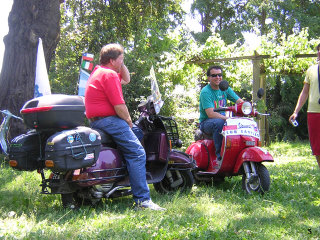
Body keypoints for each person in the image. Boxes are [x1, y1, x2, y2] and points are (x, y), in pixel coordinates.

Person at [85, 43, 165, 211]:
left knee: (136, 132)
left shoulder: (100, 72)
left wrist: (121, 63)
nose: (123, 62)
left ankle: (124, 177)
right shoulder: (109, 75)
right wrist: (128, 120)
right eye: (121, 59)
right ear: (112, 60)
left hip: (98, 121)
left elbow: (126, 79)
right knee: (137, 153)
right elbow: (119, 105)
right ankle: (142, 201)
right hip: (110, 120)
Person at [199, 66, 244, 160]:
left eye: (220, 75)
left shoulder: (225, 88)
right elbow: (210, 114)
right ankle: (220, 156)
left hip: (222, 119)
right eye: (214, 75)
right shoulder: (206, 92)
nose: (218, 77)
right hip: (206, 122)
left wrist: (247, 106)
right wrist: (228, 119)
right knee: (219, 123)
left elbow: (239, 101)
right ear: (209, 78)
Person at [289, 43, 320, 168]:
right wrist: (296, 111)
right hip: (313, 113)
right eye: (318, 50)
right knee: (317, 148)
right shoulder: (311, 70)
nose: (319, 52)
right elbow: (305, 92)